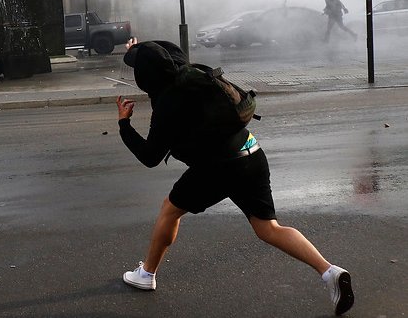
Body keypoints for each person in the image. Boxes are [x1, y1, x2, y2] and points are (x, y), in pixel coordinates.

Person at [115, 37, 354, 316]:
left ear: (147, 77)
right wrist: (140, 48)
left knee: (169, 210)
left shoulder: (167, 103)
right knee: (269, 228)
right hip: (251, 151)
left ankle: (146, 274)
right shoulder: (193, 75)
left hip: (219, 167)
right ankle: (330, 272)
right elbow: (170, 51)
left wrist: (124, 124)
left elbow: (150, 157)